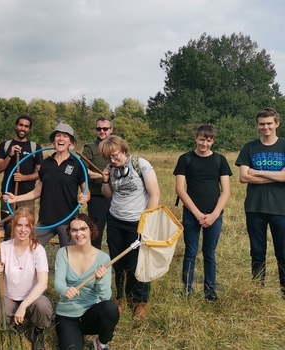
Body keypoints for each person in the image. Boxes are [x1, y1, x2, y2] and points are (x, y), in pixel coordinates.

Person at [99, 135, 160, 319]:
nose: (112, 159)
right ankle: (120, 298)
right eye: (109, 157)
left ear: (124, 150)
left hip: (137, 223)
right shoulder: (111, 169)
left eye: (115, 155)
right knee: (118, 262)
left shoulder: (140, 164)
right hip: (116, 220)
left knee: (138, 264)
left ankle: (140, 301)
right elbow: (108, 194)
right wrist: (104, 179)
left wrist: (146, 222)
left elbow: (154, 194)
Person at [5, 124, 90, 247]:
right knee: (30, 248)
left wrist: (85, 197)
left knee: (69, 256)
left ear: (70, 142)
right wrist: (16, 198)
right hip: (45, 220)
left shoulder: (78, 164)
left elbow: (86, 191)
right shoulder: (46, 163)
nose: (61, 139)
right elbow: (38, 190)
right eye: (58, 136)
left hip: (68, 221)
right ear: (54, 141)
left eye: (65, 136)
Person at [174, 124, 232, 301]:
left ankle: (210, 291)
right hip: (192, 214)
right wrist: (197, 214)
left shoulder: (220, 160)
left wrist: (214, 214)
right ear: (196, 138)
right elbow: (180, 189)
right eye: (201, 139)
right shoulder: (185, 159)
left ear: (213, 141)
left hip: (214, 215)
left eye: (208, 140)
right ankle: (187, 291)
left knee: (209, 253)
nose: (204, 143)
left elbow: (226, 191)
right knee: (190, 252)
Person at [235, 107, 285, 297]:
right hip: (255, 208)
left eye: (269, 123)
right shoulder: (250, 147)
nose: (266, 127)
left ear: (277, 124)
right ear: (257, 126)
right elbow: (243, 177)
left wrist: (259, 171)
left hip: (281, 208)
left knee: (283, 253)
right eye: (262, 124)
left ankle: (284, 291)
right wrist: (276, 176)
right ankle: (257, 290)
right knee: (257, 251)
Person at [54, 213, 119, 350]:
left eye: (83, 229)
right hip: (67, 316)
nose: (79, 233)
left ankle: (101, 343)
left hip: (91, 313)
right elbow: (58, 282)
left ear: (91, 230)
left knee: (111, 308)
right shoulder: (63, 253)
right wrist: (66, 290)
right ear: (70, 233)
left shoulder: (103, 259)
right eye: (74, 230)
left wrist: (100, 280)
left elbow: (106, 296)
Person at [0, 207, 53, 350]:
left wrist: (24, 305)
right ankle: (15, 325)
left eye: (27, 225)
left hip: (32, 297)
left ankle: (38, 331)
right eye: (19, 225)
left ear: (32, 227)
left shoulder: (38, 249)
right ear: (13, 225)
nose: (23, 230)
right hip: (10, 296)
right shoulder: (4, 247)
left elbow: (43, 283)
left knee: (43, 307)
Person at [0, 115, 43, 241]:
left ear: (29, 129)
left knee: (26, 229)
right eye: (21, 125)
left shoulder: (35, 147)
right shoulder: (5, 145)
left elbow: (41, 173)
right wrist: (10, 155)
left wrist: (24, 177)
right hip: (8, 194)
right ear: (16, 126)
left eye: (26, 126)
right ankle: (8, 256)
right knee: (8, 228)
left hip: (27, 195)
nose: (23, 128)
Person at [82, 116, 114, 249]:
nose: (102, 131)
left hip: (116, 197)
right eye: (99, 128)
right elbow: (83, 170)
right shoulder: (90, 147)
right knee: (96, 233)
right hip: (97, 197)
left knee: (114, 234)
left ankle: (116, 266)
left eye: (105, 128)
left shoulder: (116, 146)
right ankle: (94, 264)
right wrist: (102, 176)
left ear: (111, 130)